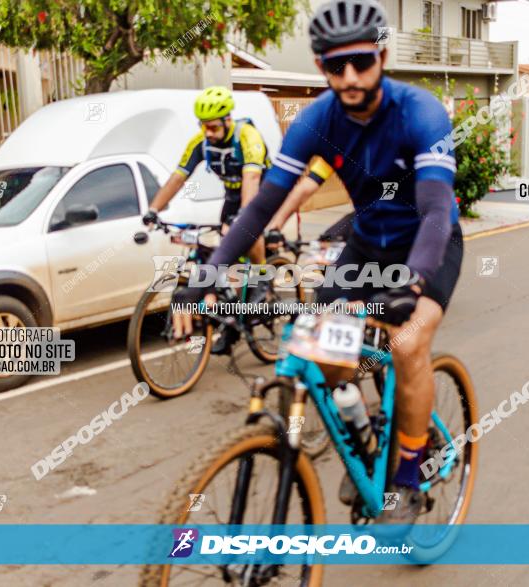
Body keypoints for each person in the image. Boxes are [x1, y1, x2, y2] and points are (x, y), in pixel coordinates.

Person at [174, 0, 464, 526]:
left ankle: (406, 478)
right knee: (323, 352)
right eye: (335, 66)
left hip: (427, 242)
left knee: (407, 341)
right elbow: (260, 206)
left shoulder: (419, 111)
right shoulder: (316, 121)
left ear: (382, 55)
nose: (349, 77)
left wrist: (414, 282)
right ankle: (370, 431)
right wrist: (209, 273)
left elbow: (437, 207)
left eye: (360, 62)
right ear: (320, 68)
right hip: (367, 246)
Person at [143, 85, 270, 263]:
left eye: (213, 127)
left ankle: (261, 278)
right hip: (233, 194)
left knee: (249, 229)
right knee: (226, 246)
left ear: (227, 120)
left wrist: (244, 214)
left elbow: (252, 177)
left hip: (260, 191)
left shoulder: (248, 136)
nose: (208, 132)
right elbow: (178, 178)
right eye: (204, 126)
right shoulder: (200, 142)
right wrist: (153, 210)